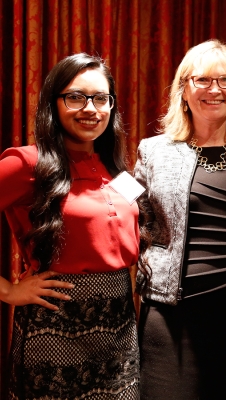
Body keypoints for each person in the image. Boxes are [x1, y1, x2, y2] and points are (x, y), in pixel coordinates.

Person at [0, 53, 147, 399]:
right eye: (76, 97)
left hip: (119, 334)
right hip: (54, 330)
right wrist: (8, 292)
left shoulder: (118, 172)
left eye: (101, 98)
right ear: (54, 103)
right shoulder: (26, 163)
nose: (90, 108)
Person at [135, 39, 226, 400]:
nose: (215, 90)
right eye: (203, 80)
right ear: (183, 89)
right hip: (170, 318)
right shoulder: (153, 151)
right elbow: (134, 228)